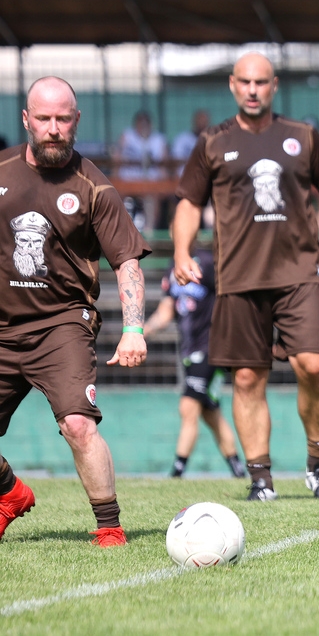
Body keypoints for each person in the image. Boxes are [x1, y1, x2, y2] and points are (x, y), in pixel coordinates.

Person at [171, 52, 319, 502]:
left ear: (273, 86)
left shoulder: (304, 137)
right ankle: (261, 480)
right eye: (245, 81)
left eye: (262, 82)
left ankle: (318, 467)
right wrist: (181, 251)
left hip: (299, 272)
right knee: (245, 379)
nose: (253, 89)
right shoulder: (212, 142)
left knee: (313, 366)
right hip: (237, 277)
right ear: (233, 86)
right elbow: (186, 202)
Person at [0, 77, 151, 545]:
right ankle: (10, 493)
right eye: (43, 119)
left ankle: (109, 528)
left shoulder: (94, 187)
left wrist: (134, 329)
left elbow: (126, 261)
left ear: (76, 120)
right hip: (2, 327)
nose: (53, 129)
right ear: (26, 119)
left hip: (62, 324)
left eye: (62, 119)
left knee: (78, 424)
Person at [144, 242, 246, 479]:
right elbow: (166, 311)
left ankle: (177, 472)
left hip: (211, 347)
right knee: (211, 413)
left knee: (188, 406)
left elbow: (229, 297)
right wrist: (140, 332)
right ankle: (238, 470)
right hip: (189, 351)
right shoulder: (173, 266)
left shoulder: (207, 262)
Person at [114, 110, 168, 231]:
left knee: (153, 196)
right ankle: (122, 230)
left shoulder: (158, 140)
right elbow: (117, 159)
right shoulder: (127, 136)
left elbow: (163, 166)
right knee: (116, 194)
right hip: (128, 181)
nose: (143, 126)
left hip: (151, 183)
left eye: (145, 123)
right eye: (140, 123)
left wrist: (163, 186)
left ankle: (150, 231)